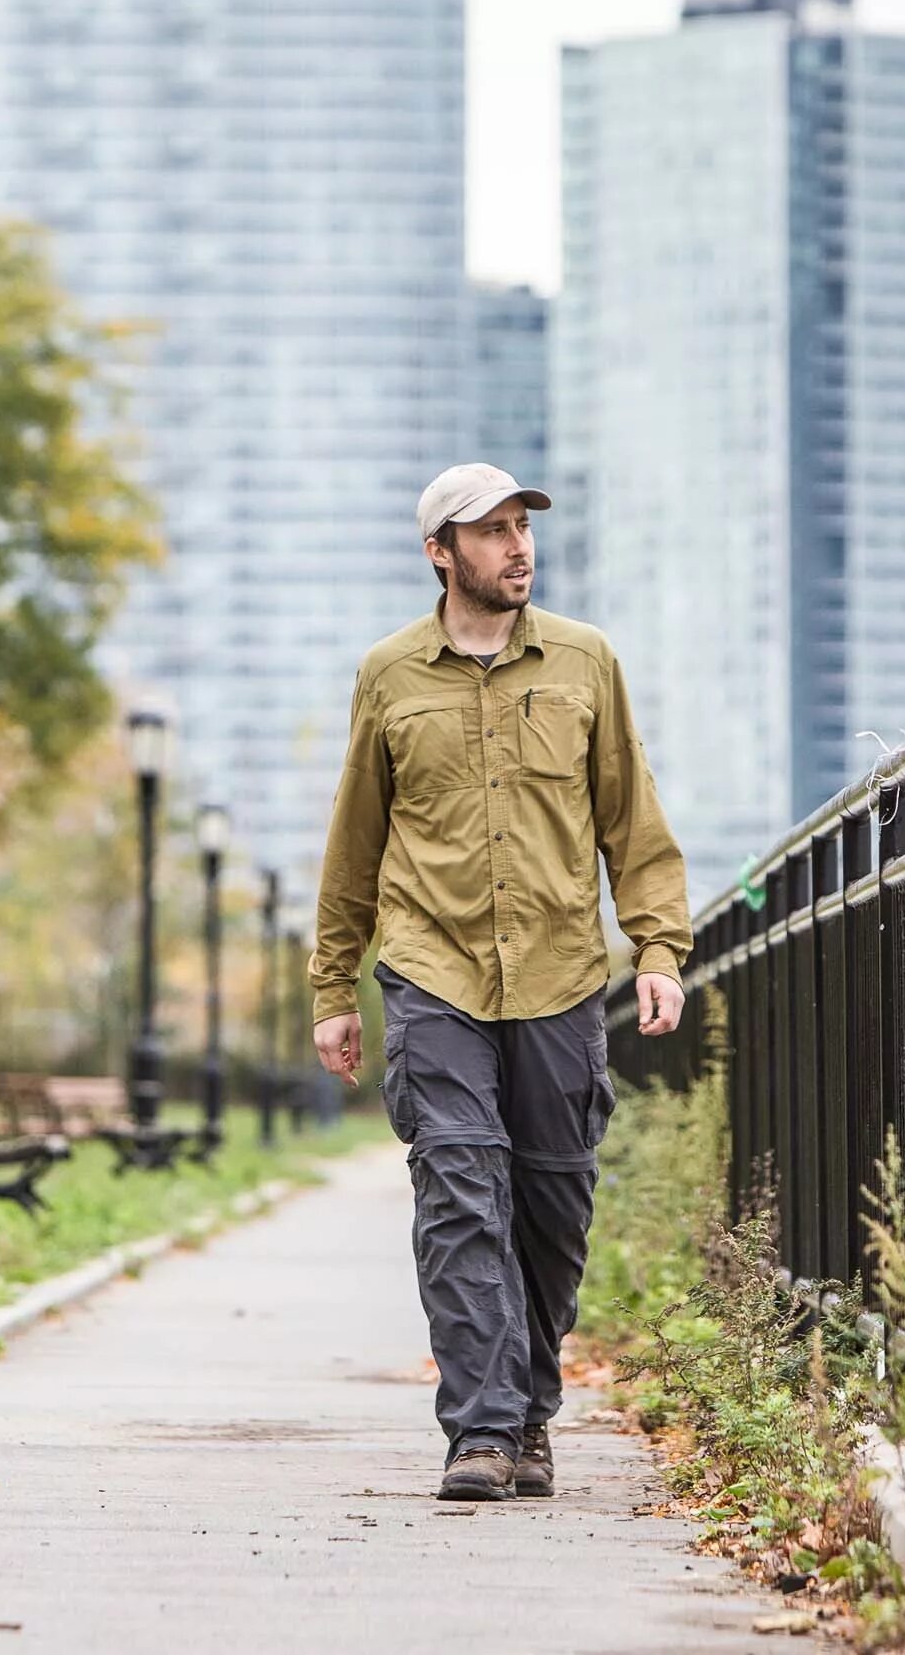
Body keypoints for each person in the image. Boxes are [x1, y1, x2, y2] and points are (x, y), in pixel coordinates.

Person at [310, 461, 691, 1501]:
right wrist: (332, 986)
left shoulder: (584, 662)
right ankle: (479, 1429)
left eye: (523, 526)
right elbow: (356, 839)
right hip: (433, 972)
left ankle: (527, 1410)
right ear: (441, 552)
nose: (517, 545)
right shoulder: (390, 674)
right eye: (492, 531)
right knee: (461, 1186)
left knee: (554, 1201)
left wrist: (658, 949)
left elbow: (633, 821)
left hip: (563, 971)